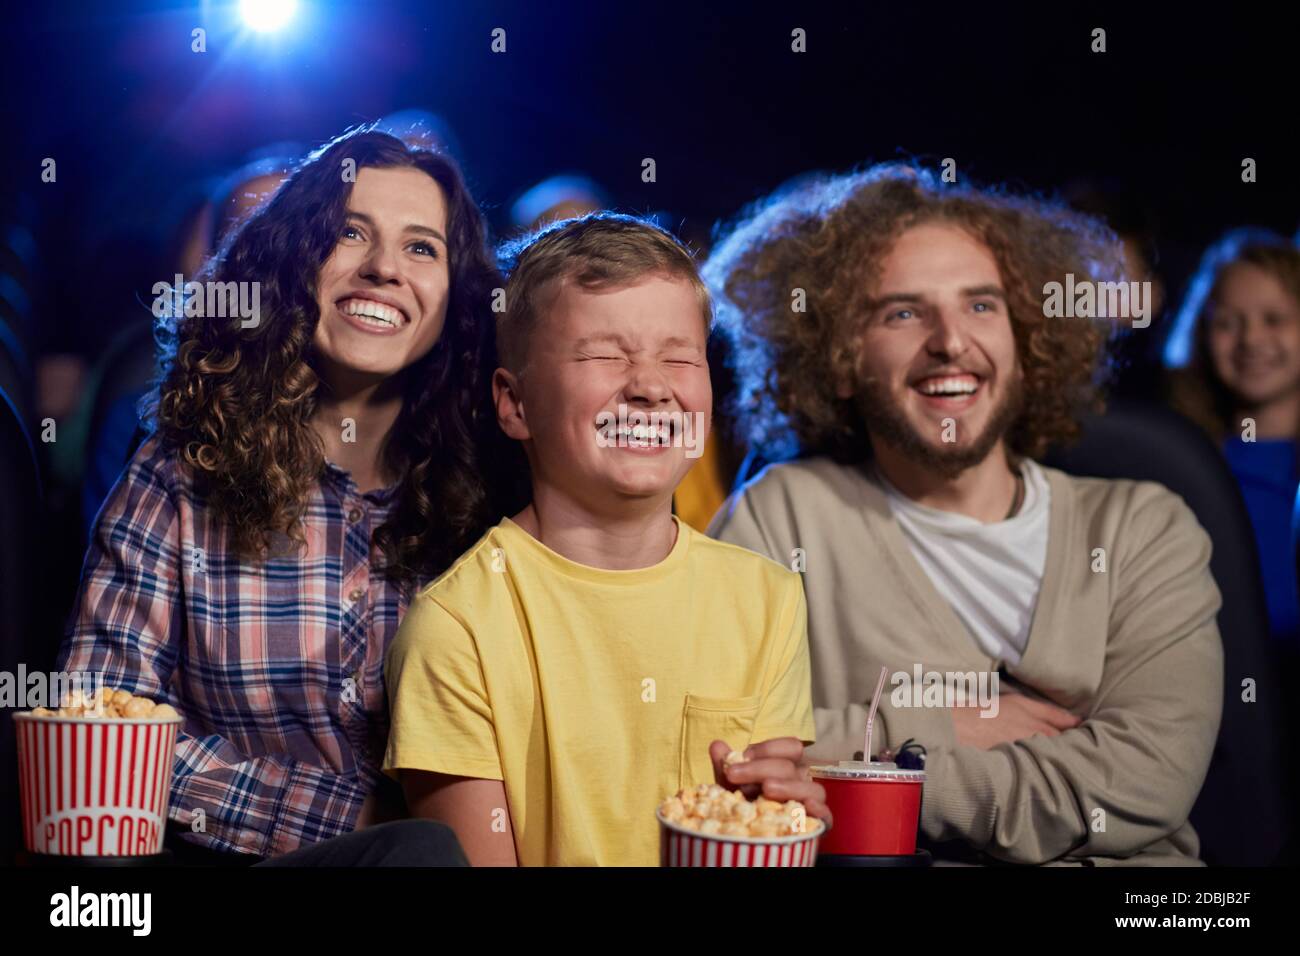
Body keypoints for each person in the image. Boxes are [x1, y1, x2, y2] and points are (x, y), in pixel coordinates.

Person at [705, 164, 1223, 865]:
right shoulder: (782, 518)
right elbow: (724, 747)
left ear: (1026, 335)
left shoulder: (1144, 530)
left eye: (982, 306)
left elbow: (1141, 787)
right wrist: (951, 722)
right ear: (841, 356)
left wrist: (883, 773)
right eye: (902, 311)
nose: (951, 340)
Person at [57, 127, 504, 864]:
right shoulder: (178, 476)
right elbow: (97, 727)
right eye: (350, 233)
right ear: (296, 261)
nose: (385, 268)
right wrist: (361, 822)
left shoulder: (493, 484)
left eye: (422, 247)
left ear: (456, 292)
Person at [383, 213, 827, 866]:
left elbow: (758, 825)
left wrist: (787, 830)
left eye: (679, 356)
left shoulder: (767, 598)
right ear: (515, 405)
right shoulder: (458, 628)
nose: (650, 386)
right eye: (602, 354)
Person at [1164, 228, 1300, 648]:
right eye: (1226, 323)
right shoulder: (1174, 467)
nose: (1252, 340)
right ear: (1200, 337)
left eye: (1275, 319)